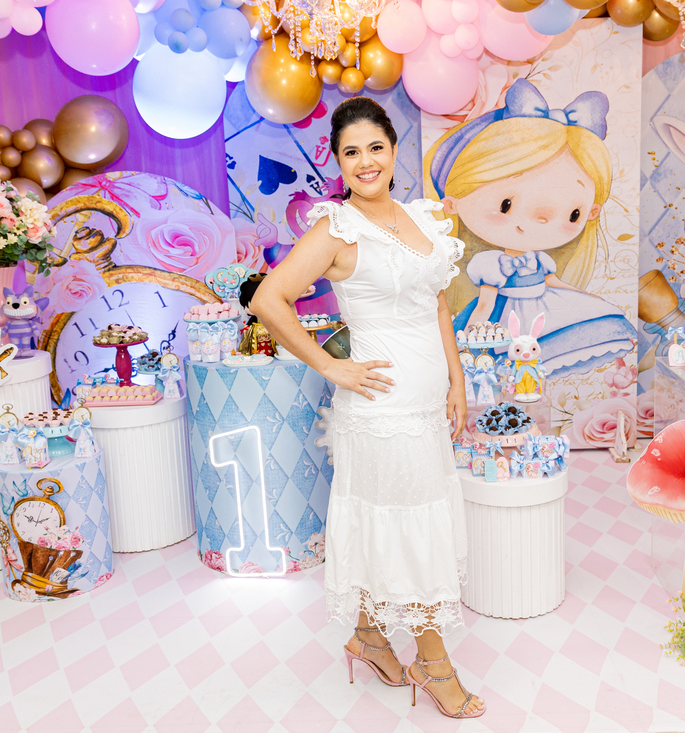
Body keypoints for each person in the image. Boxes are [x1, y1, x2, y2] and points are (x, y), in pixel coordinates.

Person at [250, 98, 484, 719]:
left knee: (399, 523)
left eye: (375, 148)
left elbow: (438, 305)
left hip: (425, 407)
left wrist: (456, 380)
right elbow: (269, 299)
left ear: (394, 150)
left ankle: (370, 638)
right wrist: (330, 365)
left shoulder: (421, 218)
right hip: (380, 414)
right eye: (351, 152)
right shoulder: (337, 228)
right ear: (338, 160)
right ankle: (434, 665)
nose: (365, 162)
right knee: (406, 531)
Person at [425, 78, 637, 377]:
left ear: (592, 212)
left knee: (536, 369)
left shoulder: (538, 259)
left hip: (548, 314)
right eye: (506, 205)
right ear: (453, 202)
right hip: (506, 319)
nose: (535, 224)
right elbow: (485, 304)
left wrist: (592, 300)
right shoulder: (491, 264)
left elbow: (555, 282)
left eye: (573, 214)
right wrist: (471, 339)